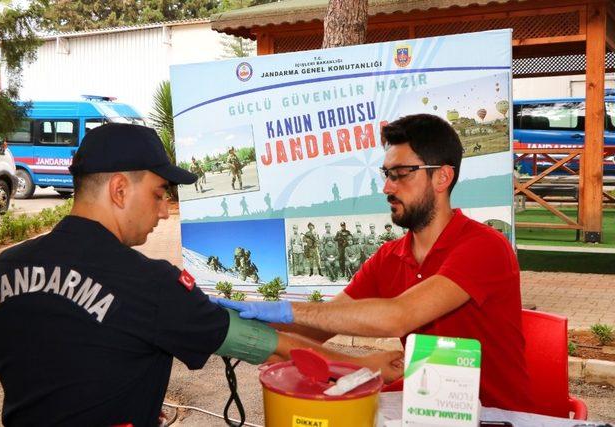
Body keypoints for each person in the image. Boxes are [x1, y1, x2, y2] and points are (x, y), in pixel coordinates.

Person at [0, 123, 403, 426]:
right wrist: (362, 367)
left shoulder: (3, 271)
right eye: (159, 194)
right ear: (120, 189)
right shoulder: (148, 282)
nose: (164, 211)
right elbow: (267, 347)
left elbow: (15, 367)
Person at [215, 114, 533, 412]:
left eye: (400, 175)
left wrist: (287, 309)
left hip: (499, 415)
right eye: (386, 175)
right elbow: (321, 327)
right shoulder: (389, 257)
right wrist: (236, 329)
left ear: (442, 177)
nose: (387, 187)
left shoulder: (484, 247)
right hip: (427, 408)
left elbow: (399, 317)